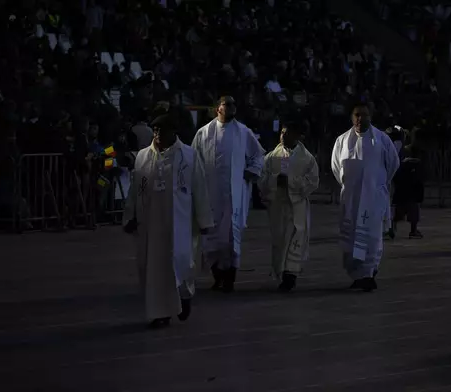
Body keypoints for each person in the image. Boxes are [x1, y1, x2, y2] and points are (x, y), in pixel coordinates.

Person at [124, 114, 214, 329]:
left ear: (174, 132)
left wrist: (204, 220)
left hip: (179, 223)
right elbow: (135, 189)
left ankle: (184, 296)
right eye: (155, 130)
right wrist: (130, 216)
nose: (157, 135)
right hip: (151, 223)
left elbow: (199, 190)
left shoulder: (189, 157)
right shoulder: (143, 156)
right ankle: (159, 313)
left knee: (181, 264)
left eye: (162, 131)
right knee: (153, 268)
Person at [191, 96, 265, 292]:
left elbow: (258, 155)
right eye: (227, 104)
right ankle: (217, 277)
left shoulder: (243, 132)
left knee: (232, 238)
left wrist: (252, 171)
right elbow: (194, 160)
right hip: (211, 195)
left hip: (235, 195)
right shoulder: (203, 133)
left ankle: (230, 279)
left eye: (234, 103)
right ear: (218, 108)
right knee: (211, 239)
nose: (232, 107)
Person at [331, 102, 400, 292]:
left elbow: (393, 164)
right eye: (356, 115)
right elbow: (336, 167)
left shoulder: (382, 140)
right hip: (352, 199)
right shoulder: (342, 141)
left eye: (364, 115)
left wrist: (377, 184)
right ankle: (356, 274)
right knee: (352, 238)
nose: (360, 119)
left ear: (371, 116)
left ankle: (368, 273)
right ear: (352, 117)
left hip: (373, 197)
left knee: (371, 237)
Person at [258, 122, 320, 292]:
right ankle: (281, 271)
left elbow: (313, 182)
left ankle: (290, 274)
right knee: (280, 240)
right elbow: (262, 179)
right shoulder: (271, 157)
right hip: (278, 205)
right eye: (282, 133)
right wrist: (274, 181)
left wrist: (292, 182)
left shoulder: (307, 159)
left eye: (288, 133)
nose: (284, 136)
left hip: (297, 206)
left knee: (295, 239)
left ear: (298, 136)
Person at [392, 143, 425, 239]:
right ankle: (413, 231)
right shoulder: (418, 165)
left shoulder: (402, 165)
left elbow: (396, 178)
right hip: (413, 195)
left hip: (401, 193)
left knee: (399, 213)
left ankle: (392, 229)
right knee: (413, 214)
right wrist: (420, 195)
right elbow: (420, 181)